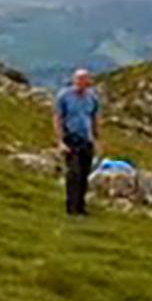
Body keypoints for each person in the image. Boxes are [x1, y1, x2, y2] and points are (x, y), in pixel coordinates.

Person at [54, 68, 102, 217]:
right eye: (79, 79)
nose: (82, 83)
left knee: (84, 174)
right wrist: (61, 141)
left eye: (85, 79)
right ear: (74, 80)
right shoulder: (64, 96)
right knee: (74, 173)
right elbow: (58, 118)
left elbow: (94, 118)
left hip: (86, 139)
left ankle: (81, 206)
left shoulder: (92, 98)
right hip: (71, 139)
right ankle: (71, 208)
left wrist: (97, 139)